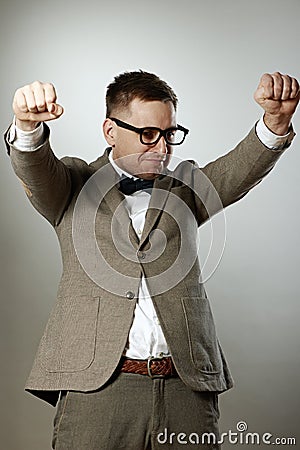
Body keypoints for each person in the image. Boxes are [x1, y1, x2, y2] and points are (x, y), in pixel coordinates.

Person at [4, 71, 299, 450]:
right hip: (99, 389)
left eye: (169, 133)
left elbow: (238, 170)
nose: (161, 147)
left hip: (185, 388)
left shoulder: (186, 189)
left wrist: (276, 122)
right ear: (110, 131)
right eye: (147, 134)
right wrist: (27, 126)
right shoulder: (72, 185)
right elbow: (34, 168)